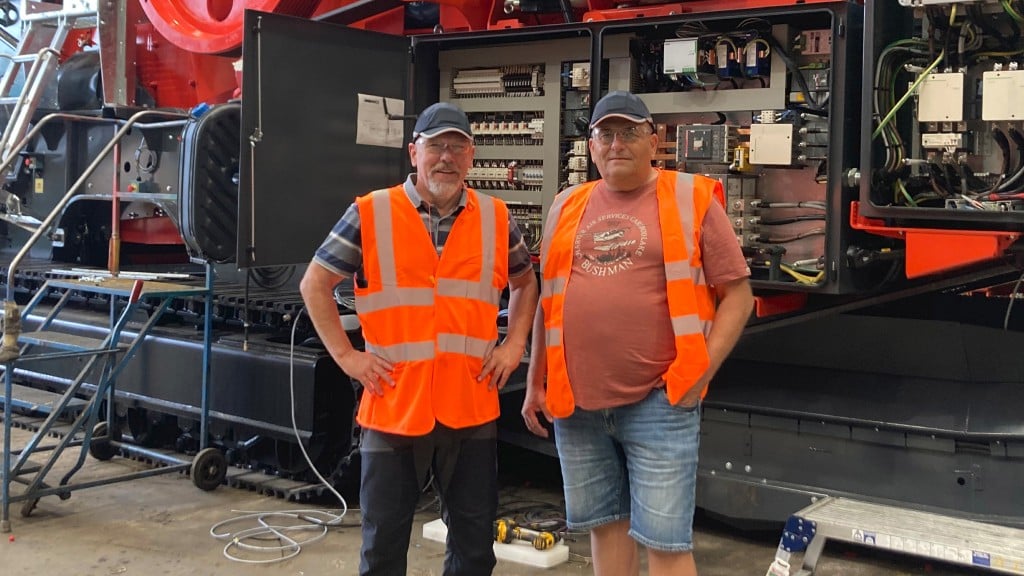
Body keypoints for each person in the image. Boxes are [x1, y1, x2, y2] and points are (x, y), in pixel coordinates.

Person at [300, 101, 539, 576]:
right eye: (436, 146)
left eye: (457, 147)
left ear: (471, 156)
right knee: (383, 549)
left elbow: (526, 281)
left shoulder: (495, 217)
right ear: (415, 152)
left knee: (473, 550)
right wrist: (348, 358)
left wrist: (515, 345)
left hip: (469, 406)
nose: (446, 157)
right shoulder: (370, 213)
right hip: (394, 405)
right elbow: (314, 284)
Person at [521, 91, 753, 576]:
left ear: (654, 141)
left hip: (660, 403)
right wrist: (534, 381)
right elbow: (549, 302)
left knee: (665, 545)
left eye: (629, 132)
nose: (616, 143)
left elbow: (739, 296)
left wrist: (697, 374)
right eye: (605, 134)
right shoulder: (566, 204)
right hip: (577, 404)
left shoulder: (691, 198)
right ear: (590, 146)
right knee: (605, 529)